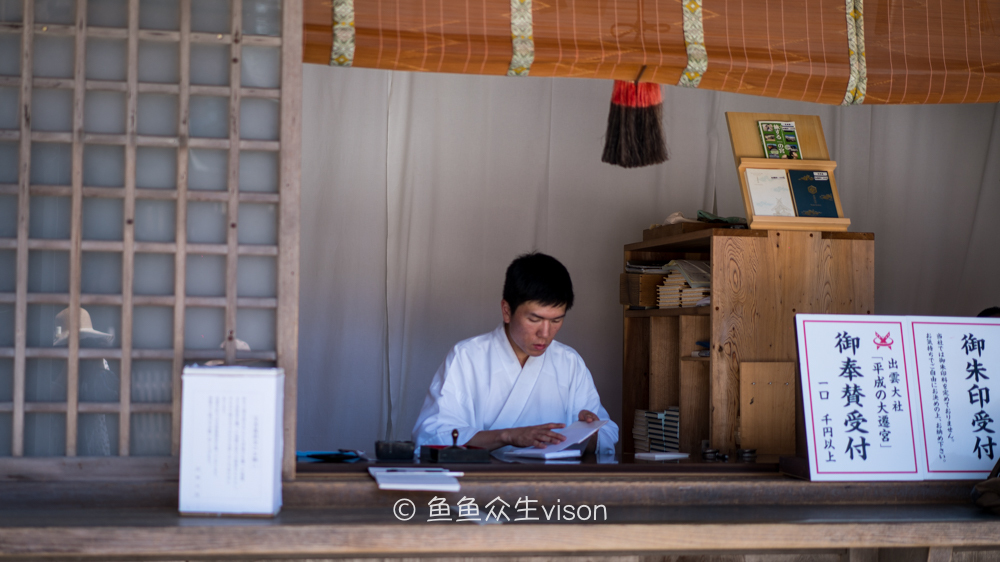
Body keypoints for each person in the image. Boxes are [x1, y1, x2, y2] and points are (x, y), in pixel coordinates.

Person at [412, 252, 619, 455]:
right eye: (534, 319)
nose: (545, 333)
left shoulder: (569, 362)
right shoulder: (467, 357)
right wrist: (508, 436)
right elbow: (432, 435)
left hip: (555, 484)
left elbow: (609, 436)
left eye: (556, 320)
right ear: (507, 310)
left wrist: (589, 432)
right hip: (481, 484)